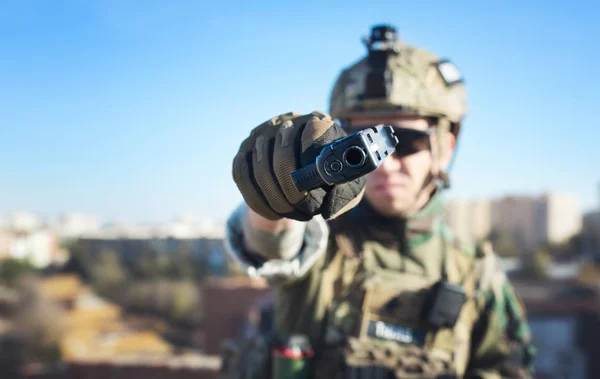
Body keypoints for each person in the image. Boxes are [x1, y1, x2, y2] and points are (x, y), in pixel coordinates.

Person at [221, 24, 536, 379]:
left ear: (444, 149)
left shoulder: (478, 276)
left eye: (405, 140)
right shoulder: (319, 245)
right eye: (362, 143)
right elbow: (274, 243)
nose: (383, 162)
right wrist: (274, 197)